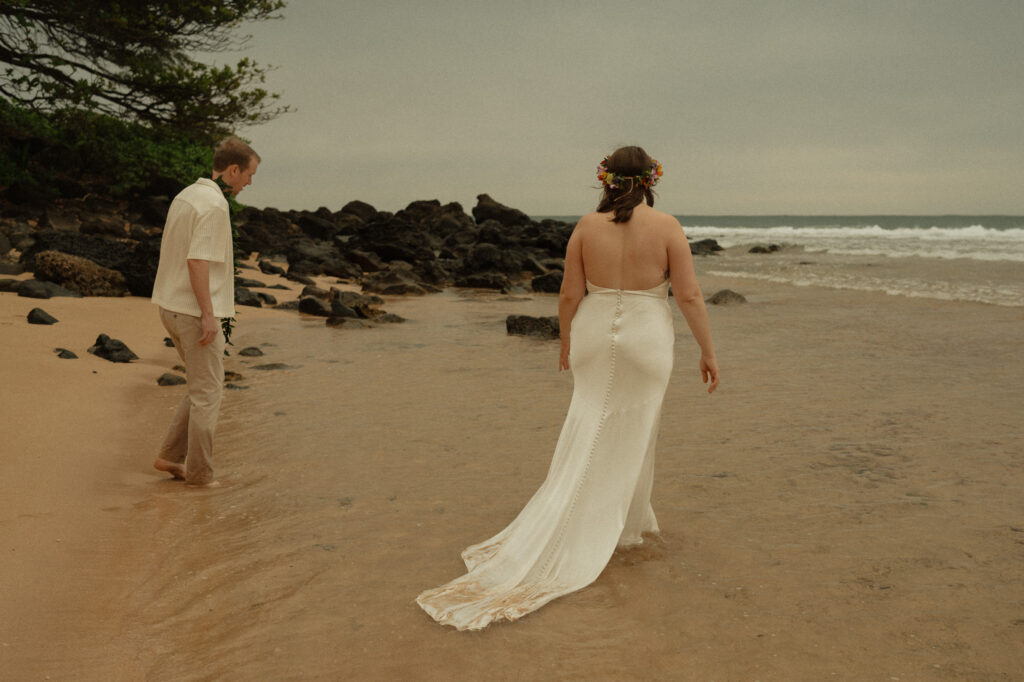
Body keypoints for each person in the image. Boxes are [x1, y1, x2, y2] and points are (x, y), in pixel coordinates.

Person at [416, 145, 719, 630]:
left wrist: (565, 339)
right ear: (650, 180)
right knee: (637, 430)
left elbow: (569, 293)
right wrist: (708, 350)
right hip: (646, 337)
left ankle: (623, 524)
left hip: (593, 334)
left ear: (606, 180)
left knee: (588, 424)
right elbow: (688, 294)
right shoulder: (667, 227)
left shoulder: (584, 226)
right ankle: (614, 529)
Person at [150, 136, 260, 488]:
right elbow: (197, 260)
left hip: (170, 306)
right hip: (194, 312)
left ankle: (170, 456)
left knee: (199, 388)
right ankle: (200, 476)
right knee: (209, 393)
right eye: (249, 174)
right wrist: (209, 315)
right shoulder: (213, 205)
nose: (249, 182)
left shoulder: (187, 195)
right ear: (233, 170)